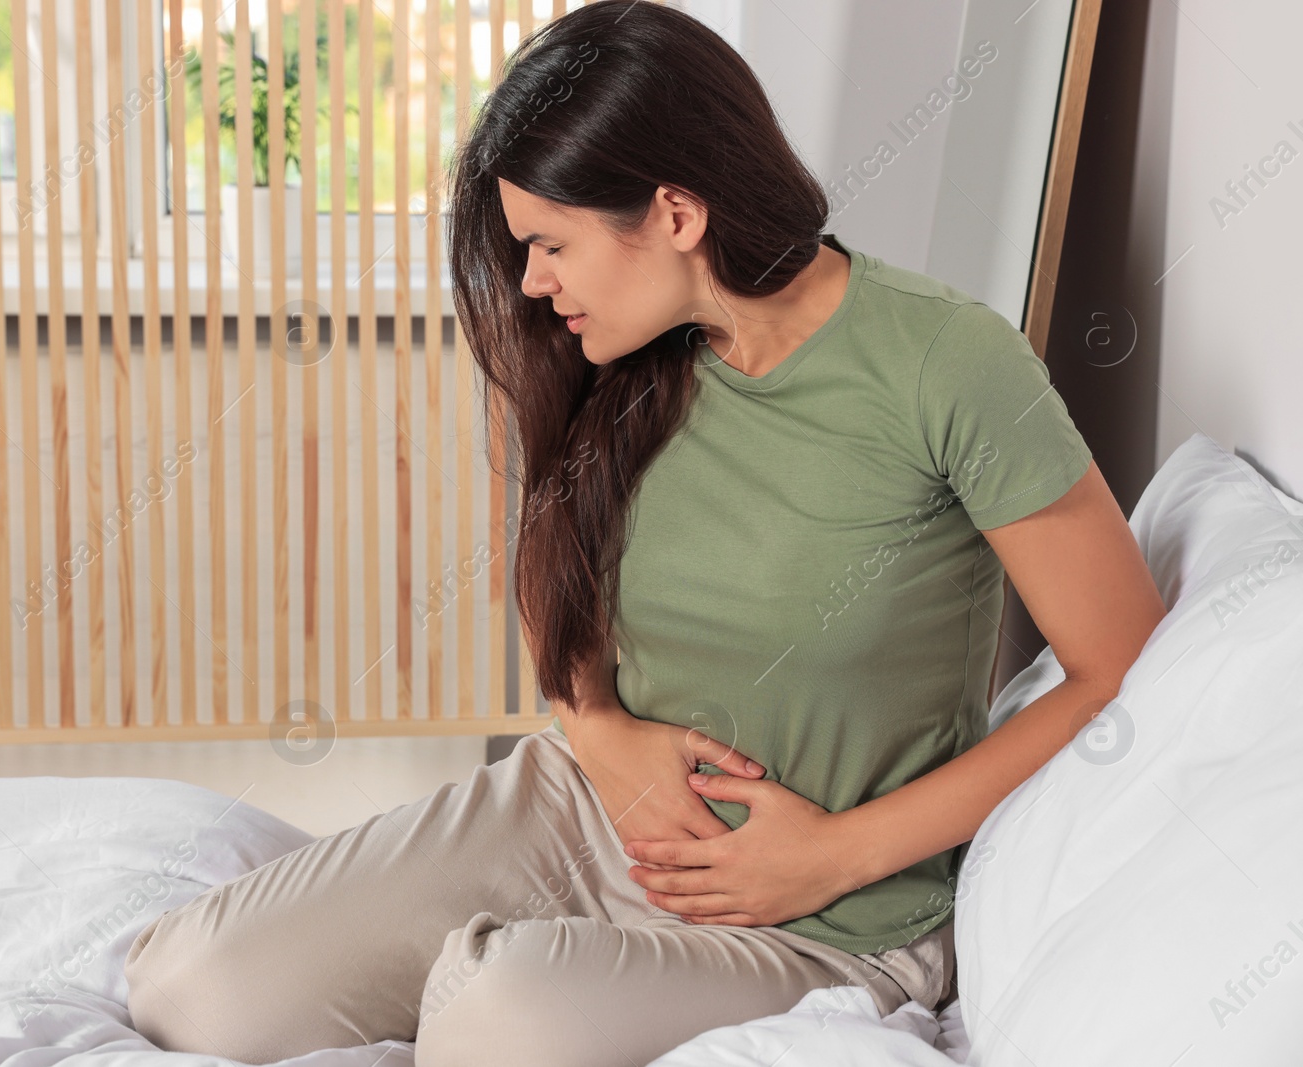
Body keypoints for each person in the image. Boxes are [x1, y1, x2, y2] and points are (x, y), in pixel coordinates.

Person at [122, 3, 1166, 1064]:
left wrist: (833, 854)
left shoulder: (946, 364)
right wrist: (609, 740)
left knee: (493, 1012)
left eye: (549, 244)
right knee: (189, 989)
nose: (532, 280)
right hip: (586, 805)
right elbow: (556, 589)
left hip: (818, 913)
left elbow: (1114, 661)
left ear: (674, 212)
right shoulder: (617, 360)